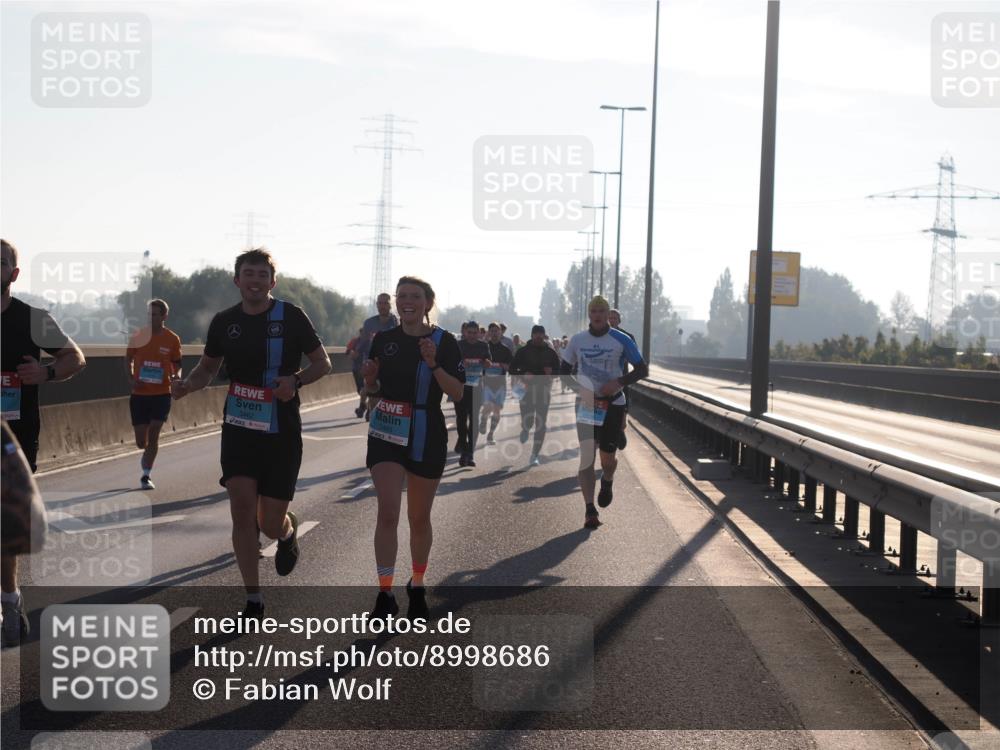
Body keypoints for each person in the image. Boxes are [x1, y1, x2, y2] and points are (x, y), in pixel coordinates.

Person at [171, 248, 331, 618]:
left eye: (262, 275)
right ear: (237, 280)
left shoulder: (291, 316)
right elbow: (206, 369)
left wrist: (296, 380)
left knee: (268, 523)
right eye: (249, 274)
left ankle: (287, 533)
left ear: (272, 282)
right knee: (242, 512)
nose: (255, 280)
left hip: (282, 429)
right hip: (240, 428)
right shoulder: (225, 321)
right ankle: (253, 599)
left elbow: (322, 362)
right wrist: (186, 387)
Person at [362, 276, 464, 620]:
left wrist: (434, 363)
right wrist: (370, 381)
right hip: (387, 430)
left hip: (426, 430)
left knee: (418, 518)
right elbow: (374, 396)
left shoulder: (444, 341)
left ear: (427, 303)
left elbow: (458, 393)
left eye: (415, 296)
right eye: (402, 296)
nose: (408, 301)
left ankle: (417, 582)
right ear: (396, 301)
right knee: (388, 511)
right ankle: (384, 592)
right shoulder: (383, 340)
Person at [1, 239, 86, 647]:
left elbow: (75, 357)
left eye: (0, 263)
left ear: (13, 275)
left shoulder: (33, 319)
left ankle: (9, 598)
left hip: (15, 437)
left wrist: (47, 374)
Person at [561, 296, 648, 529]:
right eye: (594, 311)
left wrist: (618, 381)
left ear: (607, 314)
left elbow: (642, 369)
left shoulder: (622, 339)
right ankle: (590, 510)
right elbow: (563, 371)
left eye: (601, 311)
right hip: (588, 404)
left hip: (613, 404)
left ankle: (607, 479)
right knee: (587, 457)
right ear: (589, 314)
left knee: (607, 459)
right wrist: (580, 389)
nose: (598, 315)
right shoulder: (578, 340)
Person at [125, 299, 182, 489]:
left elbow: (177, 364)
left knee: (155, 430)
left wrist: (176, 377)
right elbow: (128, 359)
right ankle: (145, 452)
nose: (151, 318)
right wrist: (132, 378)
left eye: (155, 315)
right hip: (140, 394)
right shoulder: (139, 335)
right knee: (142, 441)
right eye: (148, 314)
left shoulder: (172, 338)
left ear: (164, 316)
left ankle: (146, 475)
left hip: (161, 393)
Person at [508, 324, 561, 467]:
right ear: (531, 336)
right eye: (536, 334)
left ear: (544, 336)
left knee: (541, 423)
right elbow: (512, 369)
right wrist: (523, 373)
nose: (538, 336)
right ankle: (525, 429)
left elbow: (559, 370)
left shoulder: (551, 353)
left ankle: (535, 455)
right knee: (528, 419)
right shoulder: (523, 351)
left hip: (543, 391)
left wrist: (552, 372)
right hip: (525, 390)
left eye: (540, 334)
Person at [454, 320, 491, 467]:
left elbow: (488, 361)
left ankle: (470, 453)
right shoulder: (459, 345)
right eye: (469, 333)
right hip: (461, 387)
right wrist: (461, 362)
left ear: (478, 333)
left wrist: (486, 363)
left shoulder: (483, 345)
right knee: (461, 419)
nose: (472, 335)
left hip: (477, 387)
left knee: (474, 420)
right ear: (465, 332)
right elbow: (451, 362)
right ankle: (463, 448)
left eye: (475, 333)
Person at [356, 293, 399, 419]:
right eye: (380, 303)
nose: (382, 306)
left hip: (389, 364)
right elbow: (363, 342)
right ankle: (370, 411)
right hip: (371, 364)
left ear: (391, 305)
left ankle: (369, 410)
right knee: (370, 391)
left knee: (383, 395)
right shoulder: (369, 323)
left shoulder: (395, 322)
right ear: (376, 305)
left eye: (385, 303)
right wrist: (356, 353)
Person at [479, 322, 513, 445]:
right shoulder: (484, 347)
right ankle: (483, 420)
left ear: (500, 333)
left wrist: (505, 366)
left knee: (497, 410)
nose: (494, 333)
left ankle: (491, 434)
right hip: (486, 383)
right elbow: (478, 364)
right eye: (492, 331)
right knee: (488, 407)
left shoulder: (505, 350)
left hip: (500, 384)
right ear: (489, 332)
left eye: (496, 331)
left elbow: (511, 367)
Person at [608, 308, 637, 450]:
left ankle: (621, 425)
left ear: (619, 321)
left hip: (621, 378)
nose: (612, 320)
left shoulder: (627, 337)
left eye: (614, 318)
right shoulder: (598, 335)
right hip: (602, 379)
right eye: (610, 318)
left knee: (622, 401)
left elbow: (636, 358)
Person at [346, 327, 367, 418]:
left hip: (369, 370)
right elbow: (347, 351)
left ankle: (363, 408)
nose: (363, 335)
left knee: (367, 389)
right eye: (362, 333)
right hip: (357, 369)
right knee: (360, 389)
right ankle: (364, 405)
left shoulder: (373, 341)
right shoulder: (355, 341)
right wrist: (352, 353)